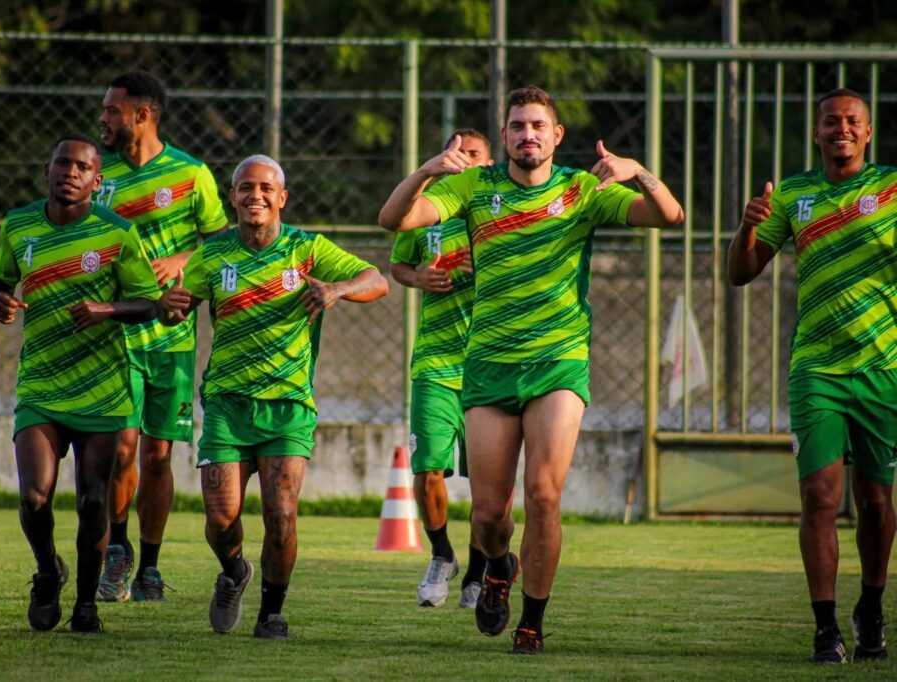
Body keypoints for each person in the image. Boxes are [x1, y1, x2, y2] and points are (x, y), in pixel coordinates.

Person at [379, 86, 683, 654]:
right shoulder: (473, 185)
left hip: (558, 361)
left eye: (538, 126)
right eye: (517, 126)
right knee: (491, 515)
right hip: (489, 364)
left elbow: (669, 214)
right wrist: (426, 170)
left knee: (543, 495)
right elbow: (392, 218)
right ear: (505, 136)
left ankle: (532, 622)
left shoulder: (581, 190)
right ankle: (498, 566)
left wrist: (638, 171)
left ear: (556, 135)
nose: (528, 135)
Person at [159, 154, 389, 639]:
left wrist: (338, 290)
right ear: (233, 198)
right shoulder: (213, 254)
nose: (255, 195)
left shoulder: (308, 249)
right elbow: (175, 308)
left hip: (288, 405)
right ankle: (235, 571)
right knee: (221, 520)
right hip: (226, 403)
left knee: (280, 514)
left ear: (282, 198)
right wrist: (170, 309)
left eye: (266, 188)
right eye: (245, 187)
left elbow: (377, 279)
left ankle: (272, 613)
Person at [728, 88, 896, 664]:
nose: (841, 129)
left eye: (852, 121)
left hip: (883, 368)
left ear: (868, 133)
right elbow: (741, 274)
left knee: (875, 500)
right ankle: (826, 628)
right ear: (817, 132)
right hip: (816, 368)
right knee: (819, 496)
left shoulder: (891, 190)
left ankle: (871, 606)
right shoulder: (792, 194)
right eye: (831, 122)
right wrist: (747, 227)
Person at [0, 134, 162, 632]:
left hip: (102, 390)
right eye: (62, 162)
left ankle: (86, 603)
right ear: (47, 169)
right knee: (34, 497)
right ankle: (47, 571)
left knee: (92, 501)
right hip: (40, 385)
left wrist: (106, 308)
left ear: (96, 180)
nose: (71, 171)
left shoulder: (118, 232)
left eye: (82, 166)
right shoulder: (19, 224)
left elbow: (148, 302)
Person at [95, 70, 229, 603]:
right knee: (122, 450)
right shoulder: (96, 174)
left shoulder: (192, 175)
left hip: (171, 340)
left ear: (142, 116)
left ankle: (150, 563)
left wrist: (183, 259)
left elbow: (223, 245)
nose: (103, 120)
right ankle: (116, 551)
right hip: (118, 335)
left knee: (157, 456)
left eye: (111, 110)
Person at [390, 128, 492, 608]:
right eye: (456, 152)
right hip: (434, 360)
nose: (463, 160)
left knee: (487, 484)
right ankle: (442, 555)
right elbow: (398, 266)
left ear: (489, 163)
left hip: (490, 361)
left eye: (473, 154)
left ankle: (477, 573)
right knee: (428, 468)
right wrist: (420, 277)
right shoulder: (429, 209)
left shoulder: (502, 212)